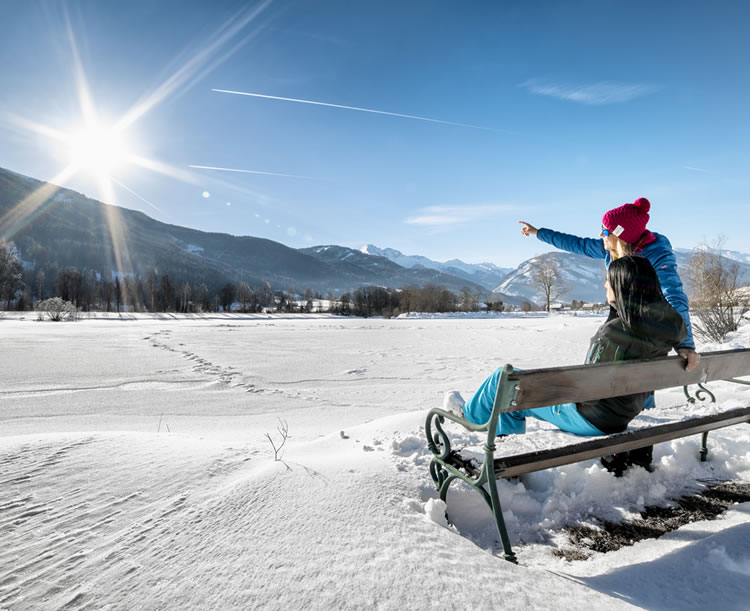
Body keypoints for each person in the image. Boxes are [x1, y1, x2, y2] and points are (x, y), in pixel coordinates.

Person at [446, 257, 686, 461]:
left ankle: (470, 419)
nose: (605, 285)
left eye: (609, 281)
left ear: (623, 286)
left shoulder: (614, 333)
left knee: (506, 383)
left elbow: (586, 388)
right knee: (516, 390)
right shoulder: (670, 325)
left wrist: (550, 389)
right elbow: (678, 335)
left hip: (591, 418)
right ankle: (504, 448)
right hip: (625, 412)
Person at [518, 197, 699, 372]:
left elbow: (674, 295)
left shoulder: (657, 256)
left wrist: (686, 345)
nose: (600, 234)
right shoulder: (609, 250)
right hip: (622, 323)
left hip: (646, 330)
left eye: (605, 231)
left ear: (620, 235)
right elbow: (575, 243)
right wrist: (538, 233)